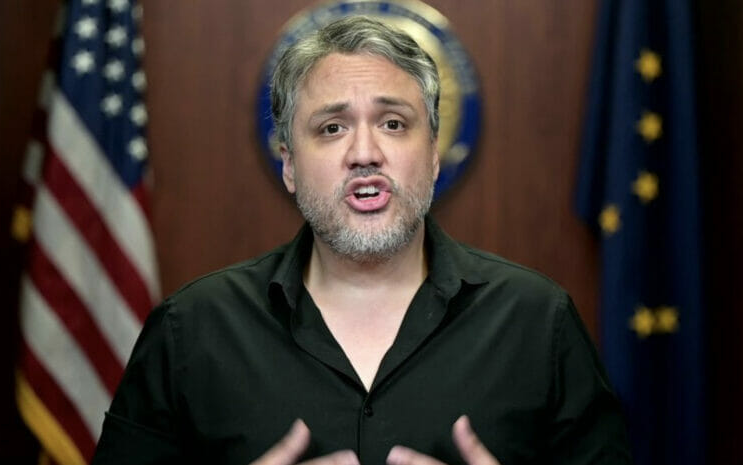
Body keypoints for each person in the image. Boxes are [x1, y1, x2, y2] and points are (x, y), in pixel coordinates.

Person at [93, 15, 631, 465]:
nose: (365, 153)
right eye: (332, 128)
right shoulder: (191, 330)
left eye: (393, 123)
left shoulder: (538, 322)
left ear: (434, 154)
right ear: (289, 166)